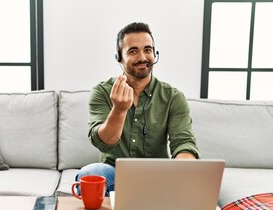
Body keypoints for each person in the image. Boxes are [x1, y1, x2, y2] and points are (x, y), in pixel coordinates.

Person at [76, 22, 200, 196]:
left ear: (155, 54)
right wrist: (119, 110)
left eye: (148, 50)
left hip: (159, 177)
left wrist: (182, 169)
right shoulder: (102, 92)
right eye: (133, 51)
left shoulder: (173, 97)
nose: (143, 57)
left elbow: (183, 143)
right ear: (119, 57)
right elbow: (103, 142)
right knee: (90, 174)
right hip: (114, 174)